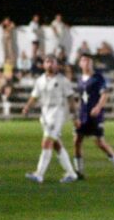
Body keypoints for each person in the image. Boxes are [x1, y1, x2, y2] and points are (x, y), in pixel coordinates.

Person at [21, 55, 78, 184]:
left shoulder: (63, 81)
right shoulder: (40, 80)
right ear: (43, 65)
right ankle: (71, 173)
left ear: (57, 65)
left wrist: (75, 116)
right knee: (56, 144)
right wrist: (27, 107)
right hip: (45, 115)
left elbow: (70, 99)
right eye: (47, 62)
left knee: (46, 142)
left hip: (57, 114)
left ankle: (39, 174)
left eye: (53, 62)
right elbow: (34, 96)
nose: (50, 65)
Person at [73, 53, 114, 180]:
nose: (87, 63)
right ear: (80, 64)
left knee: (100, 142)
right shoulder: (80, 80)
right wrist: (76, 116)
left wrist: (98, 107)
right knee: (77, 141)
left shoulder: (98, 78)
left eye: (89, 61)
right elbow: (79, 99)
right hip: (83, 115)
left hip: (95, 116)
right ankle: (79, 171)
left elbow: (104, 94)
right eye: (84, 60)